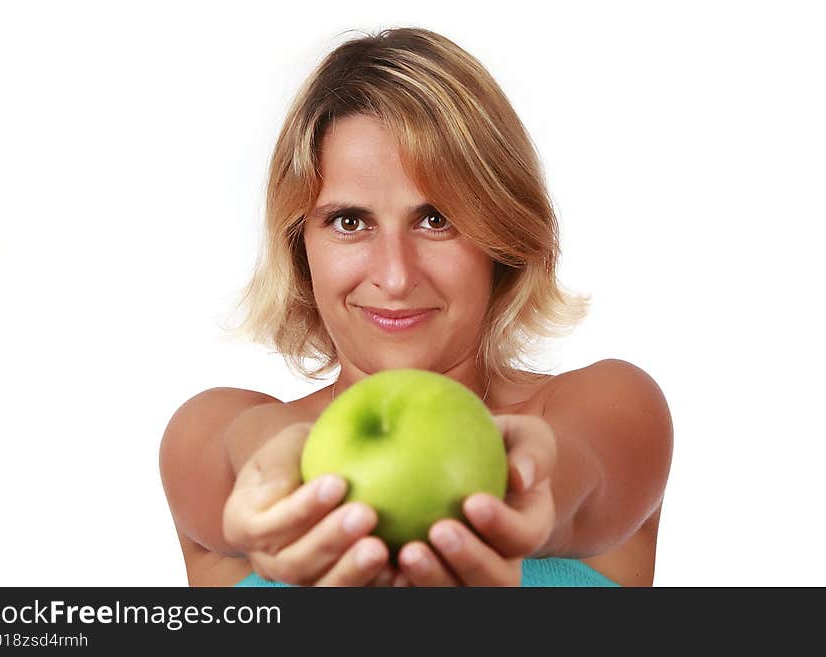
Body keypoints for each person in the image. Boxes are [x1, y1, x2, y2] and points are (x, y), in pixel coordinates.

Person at [159, 27, 673, 587]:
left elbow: (580, 482)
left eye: (436, 219)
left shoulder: (608, 407)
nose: (396, 276)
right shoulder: (221, 438)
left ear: (500, 234)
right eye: (349, 222)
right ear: (299, 245)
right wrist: (282, 468)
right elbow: (239, 448)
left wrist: (523, 492)